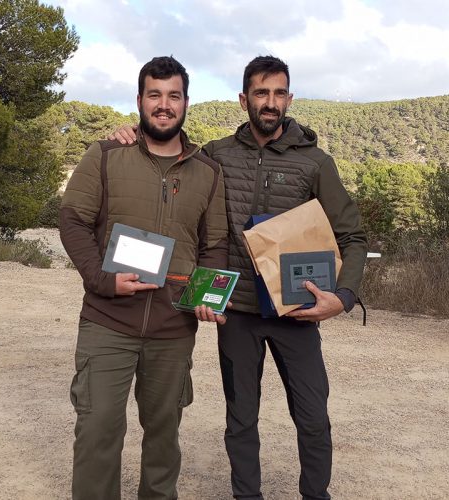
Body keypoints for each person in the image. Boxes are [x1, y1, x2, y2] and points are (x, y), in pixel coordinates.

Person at [112, 55, 367, 500]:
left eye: (279, 93)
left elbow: (353, 235)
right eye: (261, 93)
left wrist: (342, 297)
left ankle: (316, 495)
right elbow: (168, 150)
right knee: (241, 419)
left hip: (296, 310)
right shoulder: (216, 155)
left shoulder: (316, 162)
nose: (270, 103)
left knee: (312, 417)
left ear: (290, 98)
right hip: (239, 314)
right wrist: (131, 136)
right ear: (243, 98)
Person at [59, 55, 228, 500]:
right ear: (139, 100)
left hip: (173, 329)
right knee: (97, 430)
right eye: (155, 94)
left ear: (186, 103)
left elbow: (214, 246)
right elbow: (73, 220)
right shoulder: (106, 155)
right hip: (107, 322)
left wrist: (206, 296)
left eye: (173, 96)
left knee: (163, 439)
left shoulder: (208, 173)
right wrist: (100, 280)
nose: (164, 105)